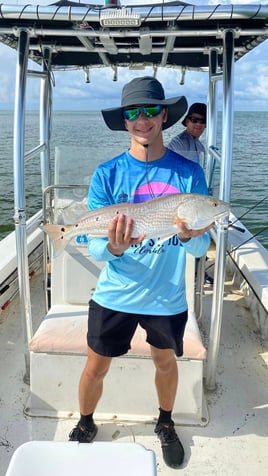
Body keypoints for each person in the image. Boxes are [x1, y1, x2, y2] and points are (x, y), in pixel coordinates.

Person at [69, 76, 211, 469]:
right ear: (124, 120)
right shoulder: (107, 175)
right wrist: (114, 246)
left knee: (165, 363)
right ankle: (85, 423)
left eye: (151, 110)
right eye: (134, 112)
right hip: (115, 292)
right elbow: (95, 245)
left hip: (166, 296)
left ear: (164, 115)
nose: (142, 119)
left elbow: (201, 248)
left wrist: (188, 235)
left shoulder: (189, 175)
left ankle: (165, 423)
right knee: (95, 365)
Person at [168, 103, 214, 286]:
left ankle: (198, 272)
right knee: (188, 236)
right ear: (187, 121)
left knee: (200, 237)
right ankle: (191, 275)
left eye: (202, 121)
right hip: (184, 203)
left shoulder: (200, 147)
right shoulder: (177, 143)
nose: (198, 124)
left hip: (195, 199)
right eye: (194, 119)